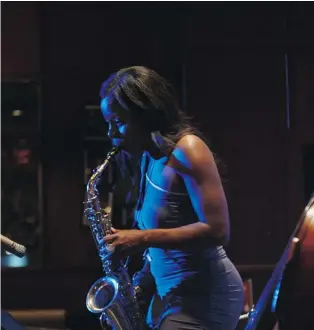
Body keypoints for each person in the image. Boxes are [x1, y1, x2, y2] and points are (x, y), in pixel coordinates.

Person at [98, 66, 245, 330]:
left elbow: (218, 230)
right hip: (170, 295)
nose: (111, 134)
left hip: (205, 295)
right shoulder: (148, 157)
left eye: (118, 122)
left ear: (145, 113)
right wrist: (140, 286)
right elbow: (159, 246)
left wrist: (140, 238)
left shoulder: (188, 149)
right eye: (108, 124)